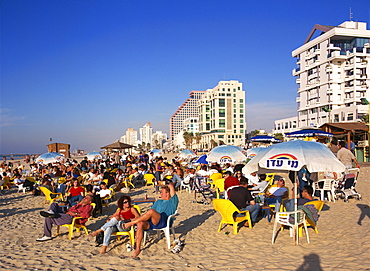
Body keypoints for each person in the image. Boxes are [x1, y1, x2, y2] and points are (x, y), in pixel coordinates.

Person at [121, 183, 178, 257]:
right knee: (140, 223)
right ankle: (138, 248)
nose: (160, 193)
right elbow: (149, 213)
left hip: (164, 221)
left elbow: (171, 186)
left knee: (151, 212)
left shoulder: (173, 201)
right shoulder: (158, 201)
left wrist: (162, 183)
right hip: (153, 221)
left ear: (167, 193)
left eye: (162, 192)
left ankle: (131, 223)